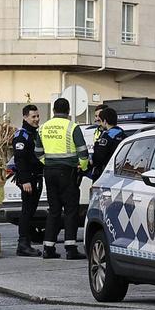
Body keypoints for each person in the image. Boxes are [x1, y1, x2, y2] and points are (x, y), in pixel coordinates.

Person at [39, 97, 90, 260]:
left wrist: (47, 163)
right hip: (67, 172)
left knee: (53, 210)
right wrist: (82, 166)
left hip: (49, 171)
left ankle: (48, 248)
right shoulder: (72, 127)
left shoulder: (43, 127)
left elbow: (38, 151)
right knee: (70, 210)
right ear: (68, 112)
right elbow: (83, 152)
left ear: (53, 110)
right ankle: (70, 248)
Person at [12, 104, 44, 256]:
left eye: (38, 116)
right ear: (25, 117)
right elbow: (20, 159)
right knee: (27, 211)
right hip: (28, 178)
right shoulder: (22, 135)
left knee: (30, 211)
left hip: (35, 177)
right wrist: (25, 180)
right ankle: (23, 244)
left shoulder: (34, 133)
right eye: (33, 117)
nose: (37, 119)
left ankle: (26, 241)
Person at [90, 106, 126, 178]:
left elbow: (98, 157)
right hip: (119, 171)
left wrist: (97, 145)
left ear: (105, 121)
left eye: (101, 120)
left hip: (106, 172)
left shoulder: (107, 136)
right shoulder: (123, 134)